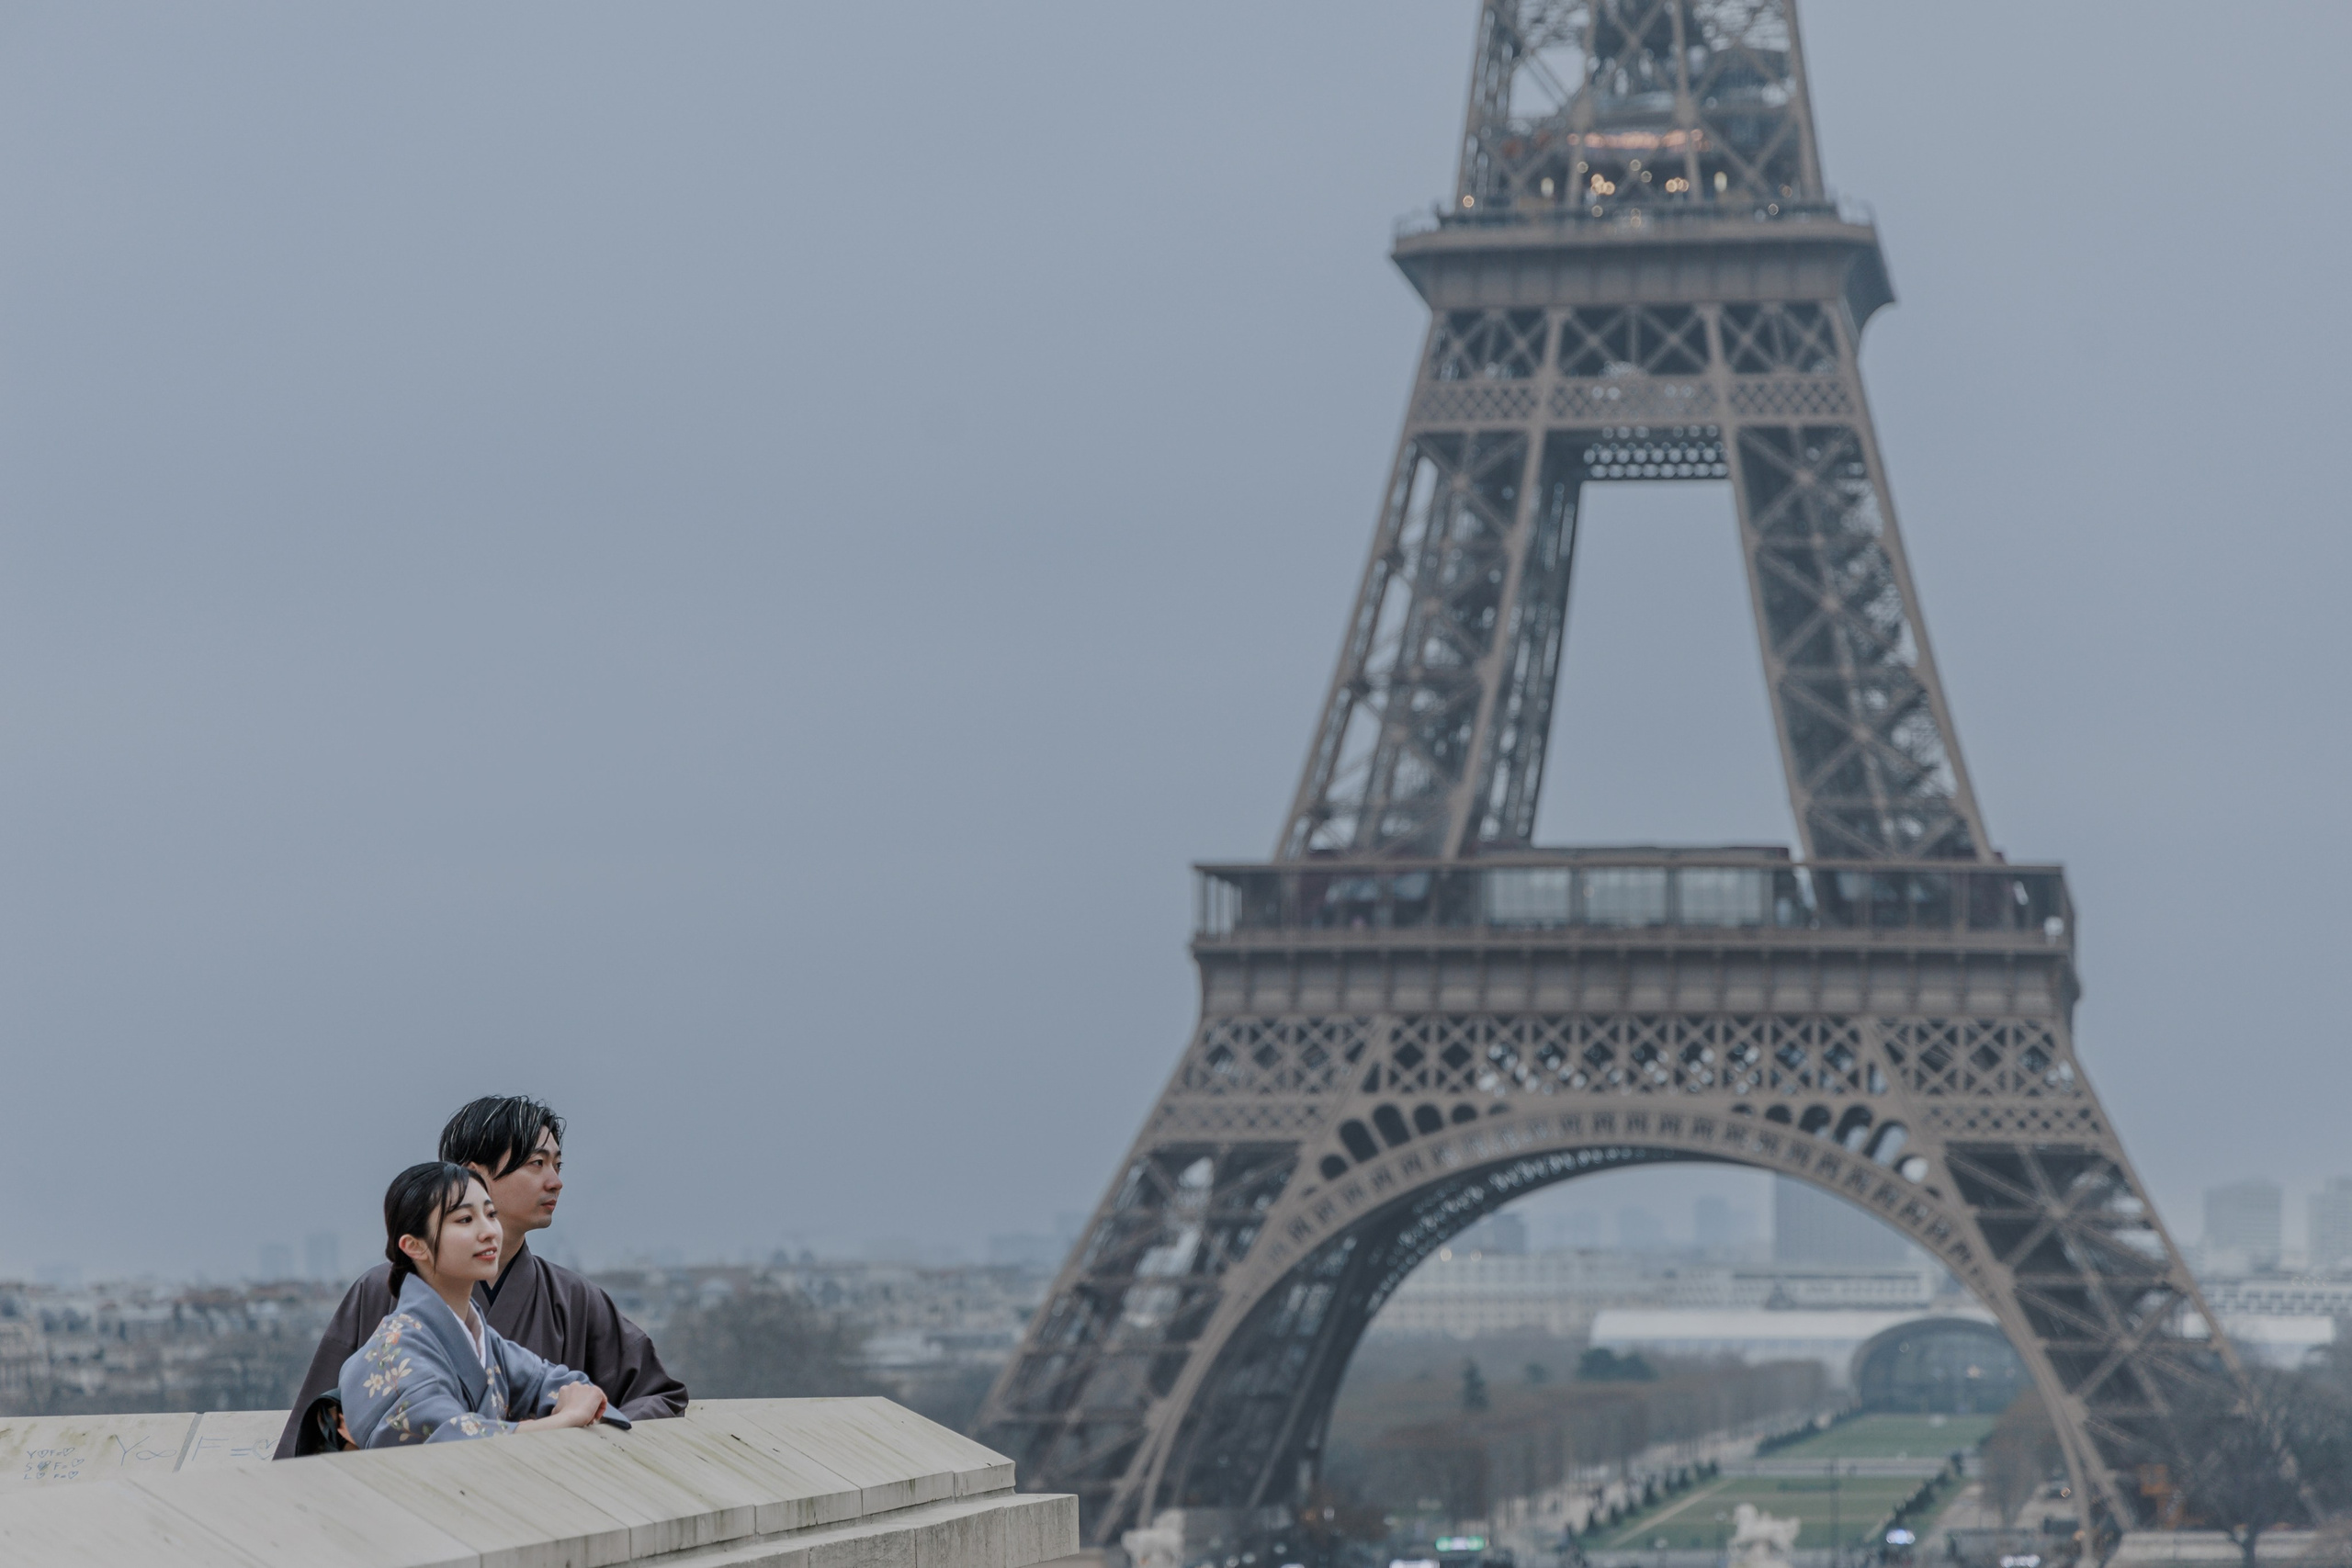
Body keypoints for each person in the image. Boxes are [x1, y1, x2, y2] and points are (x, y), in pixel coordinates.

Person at [275, 1096, 688, 1458]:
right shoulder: (381, 1297)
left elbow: (652, 1394)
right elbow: (322, 1428)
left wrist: (588, 1433)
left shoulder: (571, 1299)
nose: (556, 1181)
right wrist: (559, 1425)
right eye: (536, 1163)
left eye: (558, 1165)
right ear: (473, 1174)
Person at [342, 1161, 622, 1446]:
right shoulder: (395, 1351)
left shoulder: (485, 1342)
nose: (489, 1231)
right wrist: (564, 1420)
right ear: (415, 1246)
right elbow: (450, 1438)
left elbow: (552, 1382)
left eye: (491, 1214)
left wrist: (580, 1400)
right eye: (465, 1219)